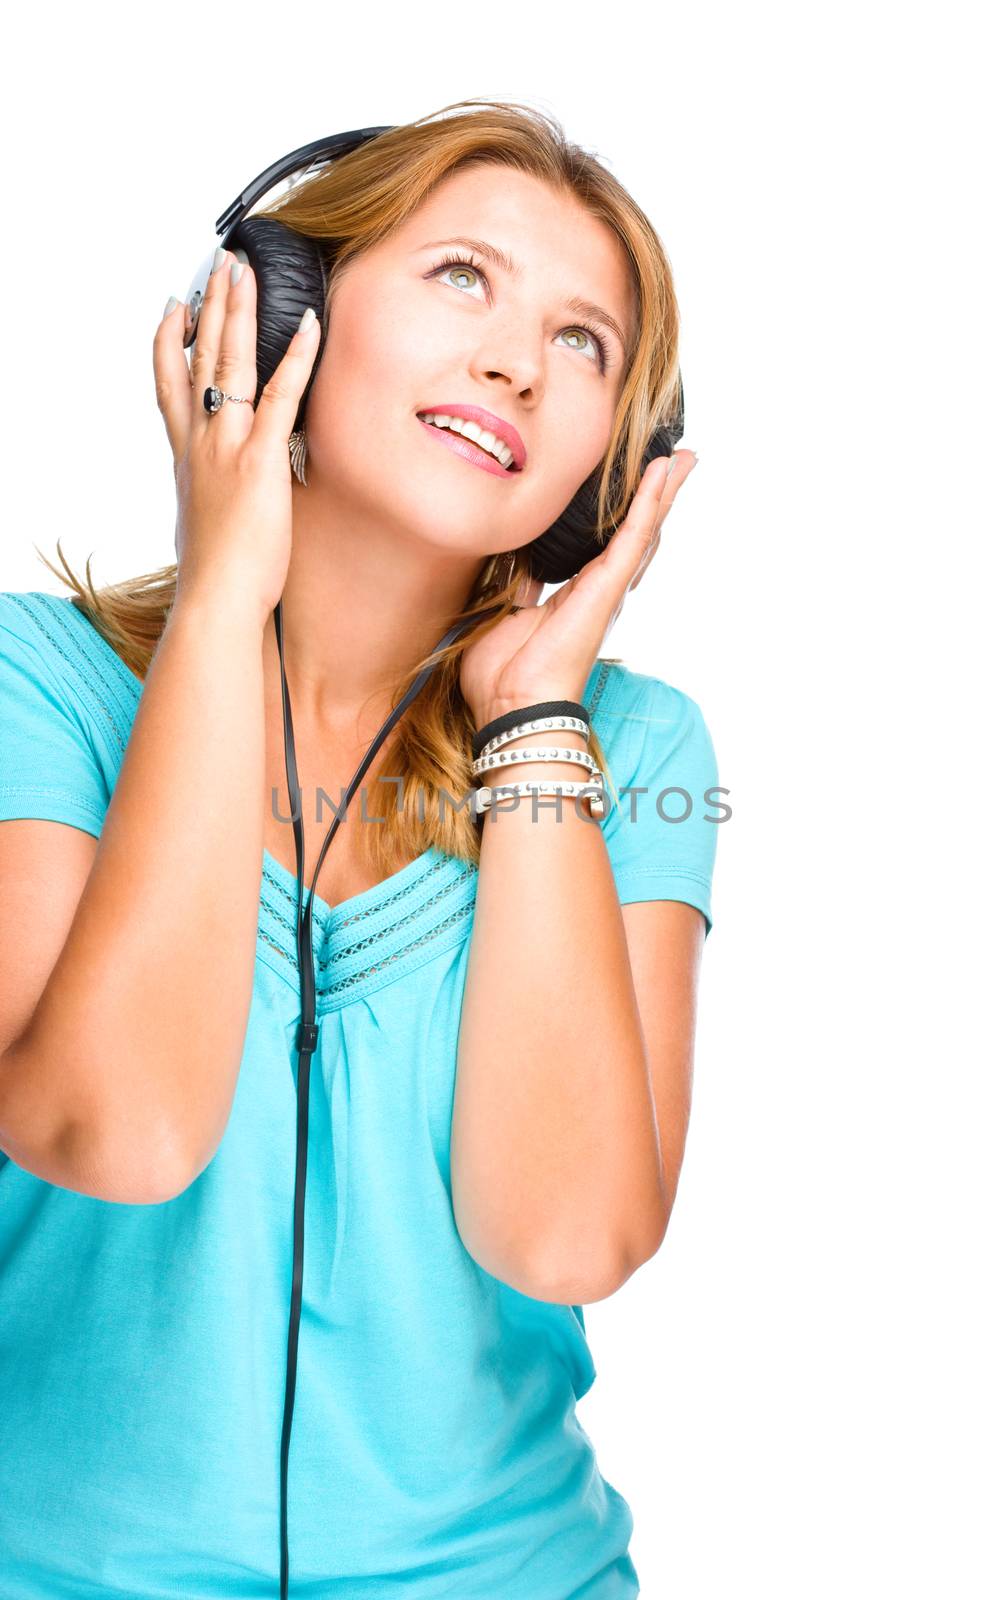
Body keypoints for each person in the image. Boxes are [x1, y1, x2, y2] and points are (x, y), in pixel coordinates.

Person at [0, 100, 720, 1598]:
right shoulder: (39, 689)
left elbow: (570, 1237)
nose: (520, 359)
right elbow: (110, 1135)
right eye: (464, 276)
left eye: (584, 342)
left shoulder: (636, 753)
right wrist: (217, 600)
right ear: (282, 317)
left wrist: (533, 721)